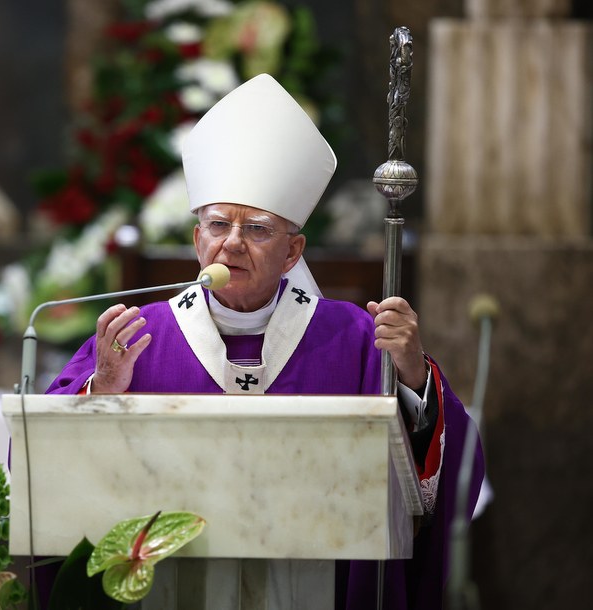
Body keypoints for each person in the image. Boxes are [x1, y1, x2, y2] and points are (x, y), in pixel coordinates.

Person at [46, 74, 484, 609]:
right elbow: (49, 465)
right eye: (217, 225)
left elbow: (449, 466)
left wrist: (413, 374)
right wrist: (105, 390)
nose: (231, 243)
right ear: (196, 239)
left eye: (256, 229)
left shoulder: (351, 337)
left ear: (293, 252)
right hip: (167, 585)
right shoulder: (138, 336)